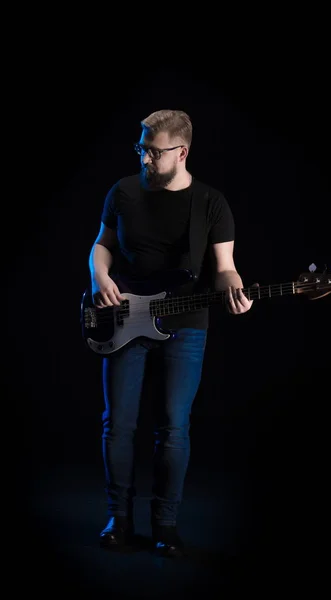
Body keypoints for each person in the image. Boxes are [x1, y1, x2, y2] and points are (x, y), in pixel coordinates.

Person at [88, 109, 257, 557]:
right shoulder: (122, 192)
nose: (145, 159)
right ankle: (119, 520)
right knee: (117, 426)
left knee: (174, 427)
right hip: (125, 319)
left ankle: (165, 525)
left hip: (185, 325)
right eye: (141, 149)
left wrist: (236, 291)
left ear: (181, 152)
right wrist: (98, 276)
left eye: (153, 152)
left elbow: (225, 269)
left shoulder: (210, 203)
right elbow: (102, 245)